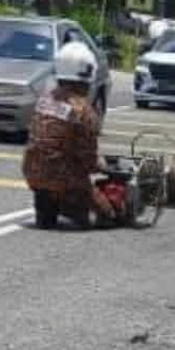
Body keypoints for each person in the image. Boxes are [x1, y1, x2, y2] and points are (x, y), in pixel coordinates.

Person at [22, 42, 115, 229]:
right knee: (111, 215)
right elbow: (88, 161)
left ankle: (49, 208)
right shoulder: (83, 111)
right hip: (66, 181)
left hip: (33, 174)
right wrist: (104, 167)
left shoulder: (44, 100)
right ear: (86, 74)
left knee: (51, 192)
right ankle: (74, 207)